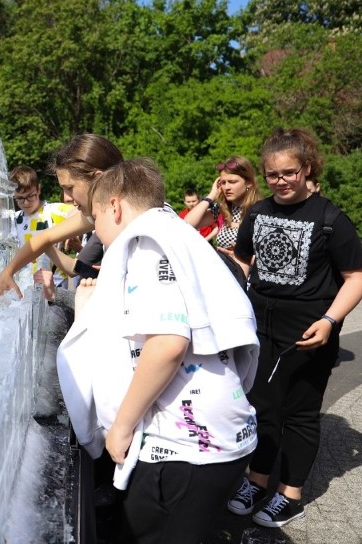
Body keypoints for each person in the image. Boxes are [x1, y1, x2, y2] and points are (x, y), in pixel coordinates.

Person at [57, 158, 260, 543]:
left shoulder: (145, 243)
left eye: (95, 217)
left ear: (115, 207)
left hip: (187, 448)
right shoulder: (175, 233)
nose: (95, 229)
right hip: (219, 435)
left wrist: (120, 427)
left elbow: (168, 343)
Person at [227, 127, 362, 528]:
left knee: (300, 413)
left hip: (310, 330)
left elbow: (356, 276)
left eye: (289, 172)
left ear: (306, 168)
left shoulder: (331, 218)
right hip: (261, 327)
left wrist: (329, 321)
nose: (281, 181)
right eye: (272, 174)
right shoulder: (258, 212)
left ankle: (291, 495)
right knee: (263, 407)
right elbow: (244, 261)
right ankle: (256, 481)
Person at [0, 133, 124, 309]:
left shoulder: (141, 226)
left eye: (70, 188)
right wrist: (8, 272)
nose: (67, 198)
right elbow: (44, 238)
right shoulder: (96, 215)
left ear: (98, 180)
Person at [9, 165, 74, 287]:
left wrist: (74, 229)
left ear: (38, 189)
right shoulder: (13, 219)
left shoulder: (54, 211)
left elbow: (81, 213)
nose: (26, 202)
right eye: (20, 198)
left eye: (30, 196)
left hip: (56, 286)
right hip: (26, 288)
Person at [184, 156, 261, 255]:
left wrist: (244, 258)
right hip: (224, 268)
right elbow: (187, 223)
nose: (226, 187)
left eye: (232, 182)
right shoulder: (222, 210)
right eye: (223, 182)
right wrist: (211, 195)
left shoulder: (261, 210)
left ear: (249, 183)